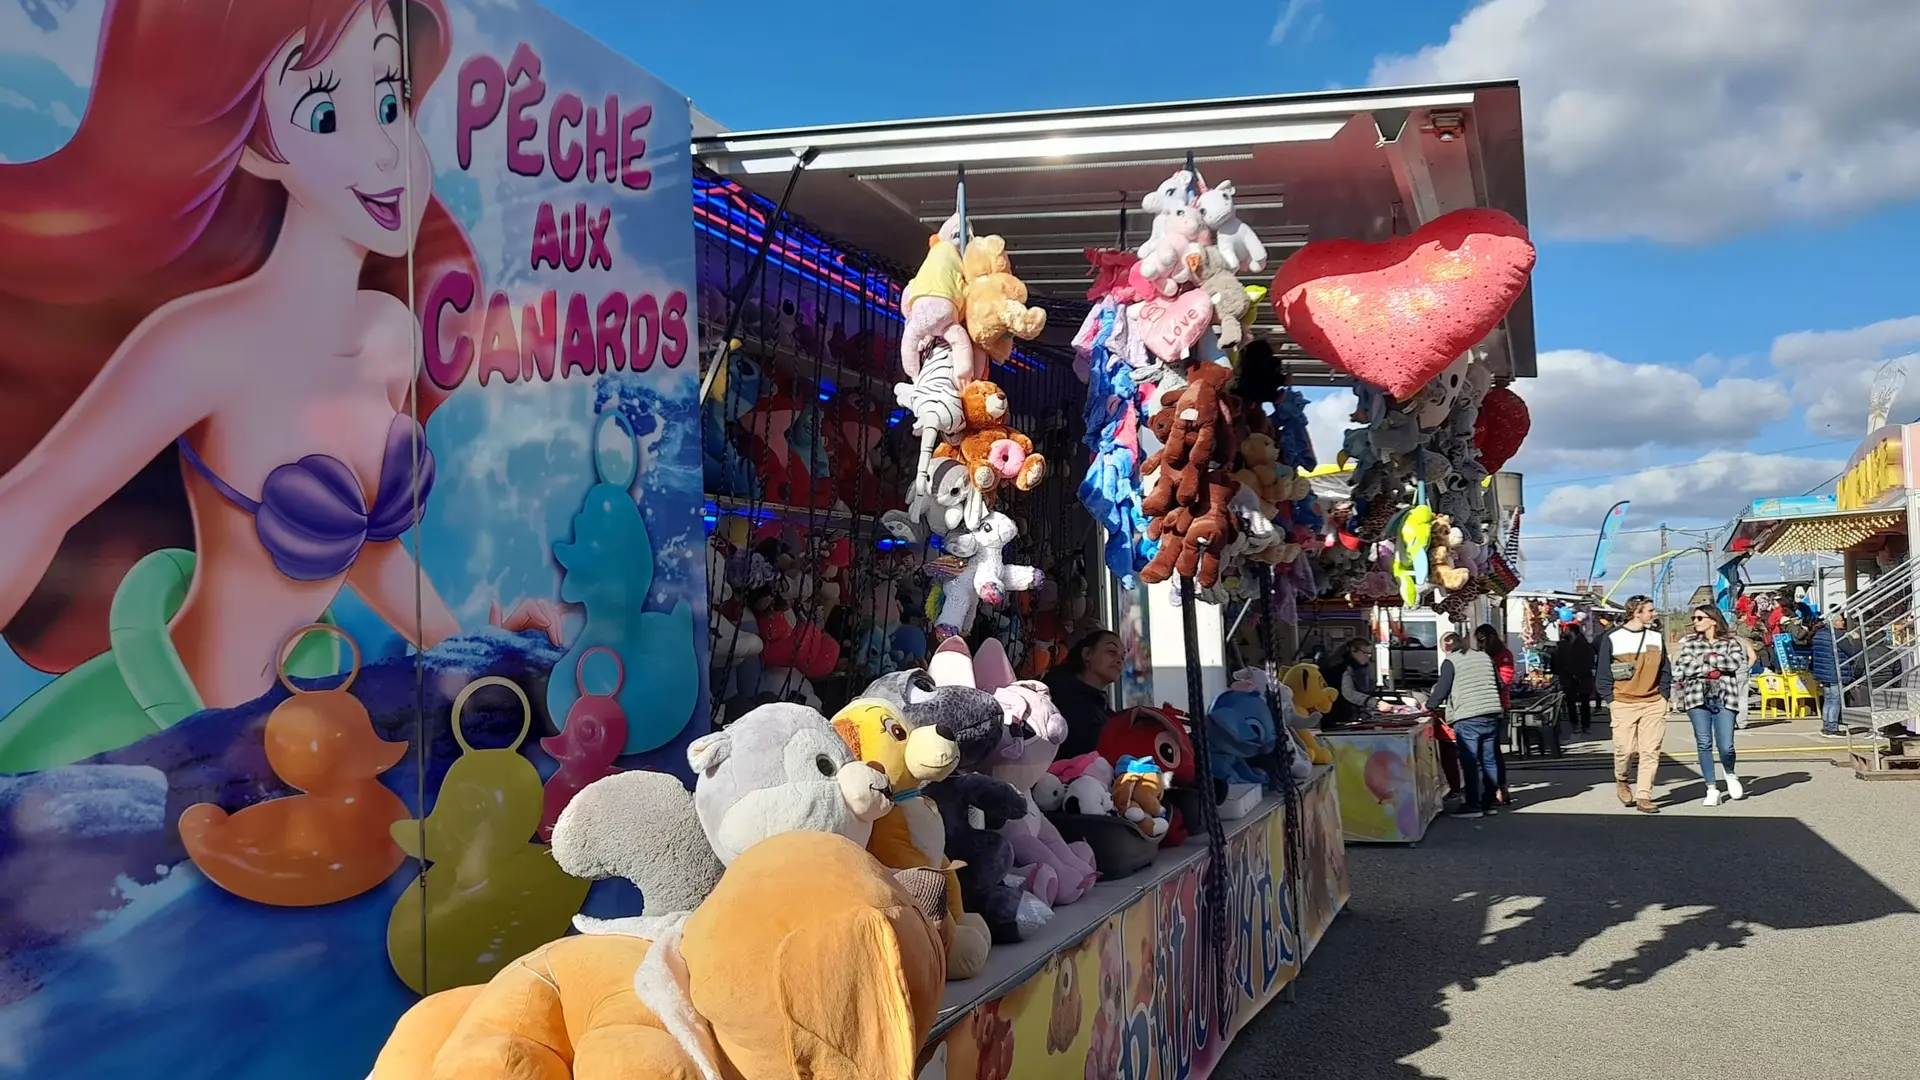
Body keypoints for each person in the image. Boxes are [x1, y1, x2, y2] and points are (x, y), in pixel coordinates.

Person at [0, 0, 561, 772]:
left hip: (303, 723)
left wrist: (475, 647)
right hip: (168, 731)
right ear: (256, 148)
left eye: (392, 102)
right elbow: (34, 504)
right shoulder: (204, 343)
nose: (389, 151)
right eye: (326, 114)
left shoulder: (385, 334)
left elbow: (367, 547)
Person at [1595, 595, 1672, 814]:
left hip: (1653, 702)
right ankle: (1622, 779)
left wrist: (1664, 695)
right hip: (1623, 702)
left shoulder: (1656, 638)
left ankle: (1644, 796)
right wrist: (1610, 700)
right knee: (1625, 750)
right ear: (1636, 612)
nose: (1653, 613)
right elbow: (1602, 673)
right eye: (1649, 610)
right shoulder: (1613, 638)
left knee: (1650, 750)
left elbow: (1665, 669)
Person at [1672, 605, 1747, 806]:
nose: (1695, 621)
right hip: (1697, 697)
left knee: (1726, 745)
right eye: (1694, 618)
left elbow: (1735, 664)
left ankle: (1730, 772)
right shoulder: (1689, 643)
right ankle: (1711, 788)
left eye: (1699, 618)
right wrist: (1714, 667)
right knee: (1704, 743)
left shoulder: (1731, 642)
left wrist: (1708, 659)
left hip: (1725, 697)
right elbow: (1685, 667)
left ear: (1713, 620)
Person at [1430, 632, 1507, 818]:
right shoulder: (1484, 656)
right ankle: (1489, 803)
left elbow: (1442, 688)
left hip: (1468, 716)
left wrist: (1429, 705)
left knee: (1470, 761)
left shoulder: (1451, 662)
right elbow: (1499, 684)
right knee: (1489, 761)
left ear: (1447, 647)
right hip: (1491, 713)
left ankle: (1472, 805)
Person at [1048, 629, 1125, 758]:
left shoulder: (1103, 709)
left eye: (1123, 657)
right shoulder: (1063, 696)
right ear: (1087, 654)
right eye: (1112, 652)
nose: (1119, 660)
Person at [1475, 624, 1516, 805]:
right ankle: (1496, 788)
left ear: (1492, 637)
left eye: (1483, 639)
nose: (1480, 644)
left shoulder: (1504, 655)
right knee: (1490, 752)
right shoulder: (1483, 655)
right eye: (1478, 640)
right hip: (1482, 706)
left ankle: (1500, 787)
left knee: (1494, 752)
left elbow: (1505, 681)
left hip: (1498, 707)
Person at [1809, 614, 1857, 739]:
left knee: (1828, 699)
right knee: (1835, 700)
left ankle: (1826, 725)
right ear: (1834, 623)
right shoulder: (1839, 635)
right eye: (1841, 621)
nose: (1844, 623)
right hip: (1836, 671)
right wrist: (1856, 640)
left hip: (1823, 671)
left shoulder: (1819, 635)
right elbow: (1851, 652)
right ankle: (1832, 728)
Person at [1319, 637, 1376, 729]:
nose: (1368, 656)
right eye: (1365, 653)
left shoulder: (1358, 668)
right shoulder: (1340, 668)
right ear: (1353, 651)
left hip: (1347, 717)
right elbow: (1348, 693)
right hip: (1336, 717)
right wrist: (1373, 702)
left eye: (1369, 653)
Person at [1552, 624, 1598, 733]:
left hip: (1583, 677)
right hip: (1568, 677)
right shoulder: (1563, 644)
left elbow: (1589, 660)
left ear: (1571, 631)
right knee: (1570, 702)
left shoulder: (1584, 644)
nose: (1564, 632)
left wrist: (1578, 673)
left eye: (1566, 630)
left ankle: (1585, 725)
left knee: (1584, 702)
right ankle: (1574, 724)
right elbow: (1557, 661)